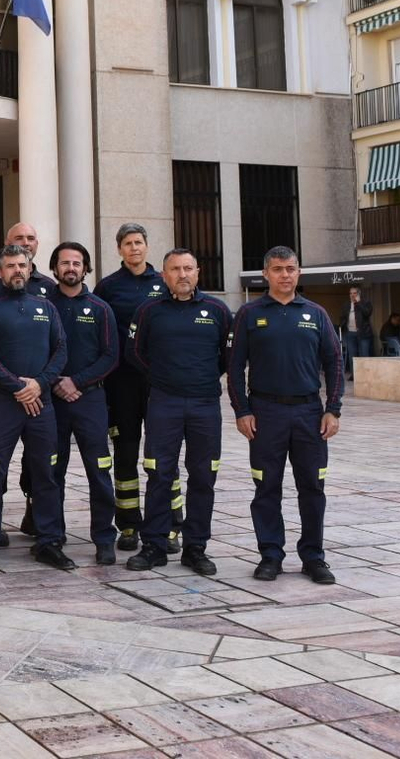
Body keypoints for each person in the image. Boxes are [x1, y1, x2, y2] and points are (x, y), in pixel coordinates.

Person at [228, 247, 343, 587]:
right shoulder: (249, 314)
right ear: (266, 274)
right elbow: (234, 367)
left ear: (299, 272)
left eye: (291, 269)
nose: (285, 275)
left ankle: (314, 557)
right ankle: (270, 555)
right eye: (278, 269)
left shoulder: (316, 314)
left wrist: (332, 409)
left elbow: (335, 364)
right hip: (265, 414)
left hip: (309, 414)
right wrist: (242, 410)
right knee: (266, 488)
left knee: (312, 487)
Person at [125, 248, 232, 576]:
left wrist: (200, 379)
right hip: (163, 403)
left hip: (204, 405)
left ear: (198, 273)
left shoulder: (217, 310)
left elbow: (227, 357)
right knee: (159, 473)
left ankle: (195, 547)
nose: (182, 275)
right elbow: (134, 353)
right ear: (164, 275)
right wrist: (163, 376)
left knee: (203, 476)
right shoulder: (148, 311)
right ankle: (154, 545)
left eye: (188, 268)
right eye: (175, 269)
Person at [0, 244, 67, 572]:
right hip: (2, 404)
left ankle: (48, 540)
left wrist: (39, 384)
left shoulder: (46, 307)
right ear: (0, 272)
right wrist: (17, 386)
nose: (16, 271)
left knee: (46, 474)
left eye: (21, 266)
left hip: (42, 403)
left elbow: (61, 350)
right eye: (9, 266)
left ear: (30, 269)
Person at [94, 222, 169, 553]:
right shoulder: (108, 287)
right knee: (125, 455)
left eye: (139, 242)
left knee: (162, 456)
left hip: (158, 384)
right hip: (121, 383)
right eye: (128, 243)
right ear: (119, 249)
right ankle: (127, 524)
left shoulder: (164, 282)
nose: (134, 248)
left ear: (147, 246)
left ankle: (168, 524)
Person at [43, 241, 119, 567]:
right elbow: (37, 350)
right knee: (51, 471)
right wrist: (57, 381)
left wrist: (78, 381)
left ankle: (104, 537)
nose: (70, 268)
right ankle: (52, 537)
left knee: (99, 471)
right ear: (55, 268)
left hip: (90, 400)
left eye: (77, 263)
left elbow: (112, 355)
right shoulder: (43, 305)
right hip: (53, 399)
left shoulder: (101, 308)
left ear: (85, 268)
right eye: (64, 263)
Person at [340, 288, 372, 377]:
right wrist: (342, 325)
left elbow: (367, 313)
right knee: (352, 355)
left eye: (354, 293)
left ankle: (365, 374)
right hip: (350, 332)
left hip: (363, 333)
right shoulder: (346, 304)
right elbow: (343, 316)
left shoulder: (366, 303)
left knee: (364, 354)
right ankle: (354, 375)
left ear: (359, 294)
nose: (352, 295)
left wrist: (358, 303)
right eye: (350, 293)